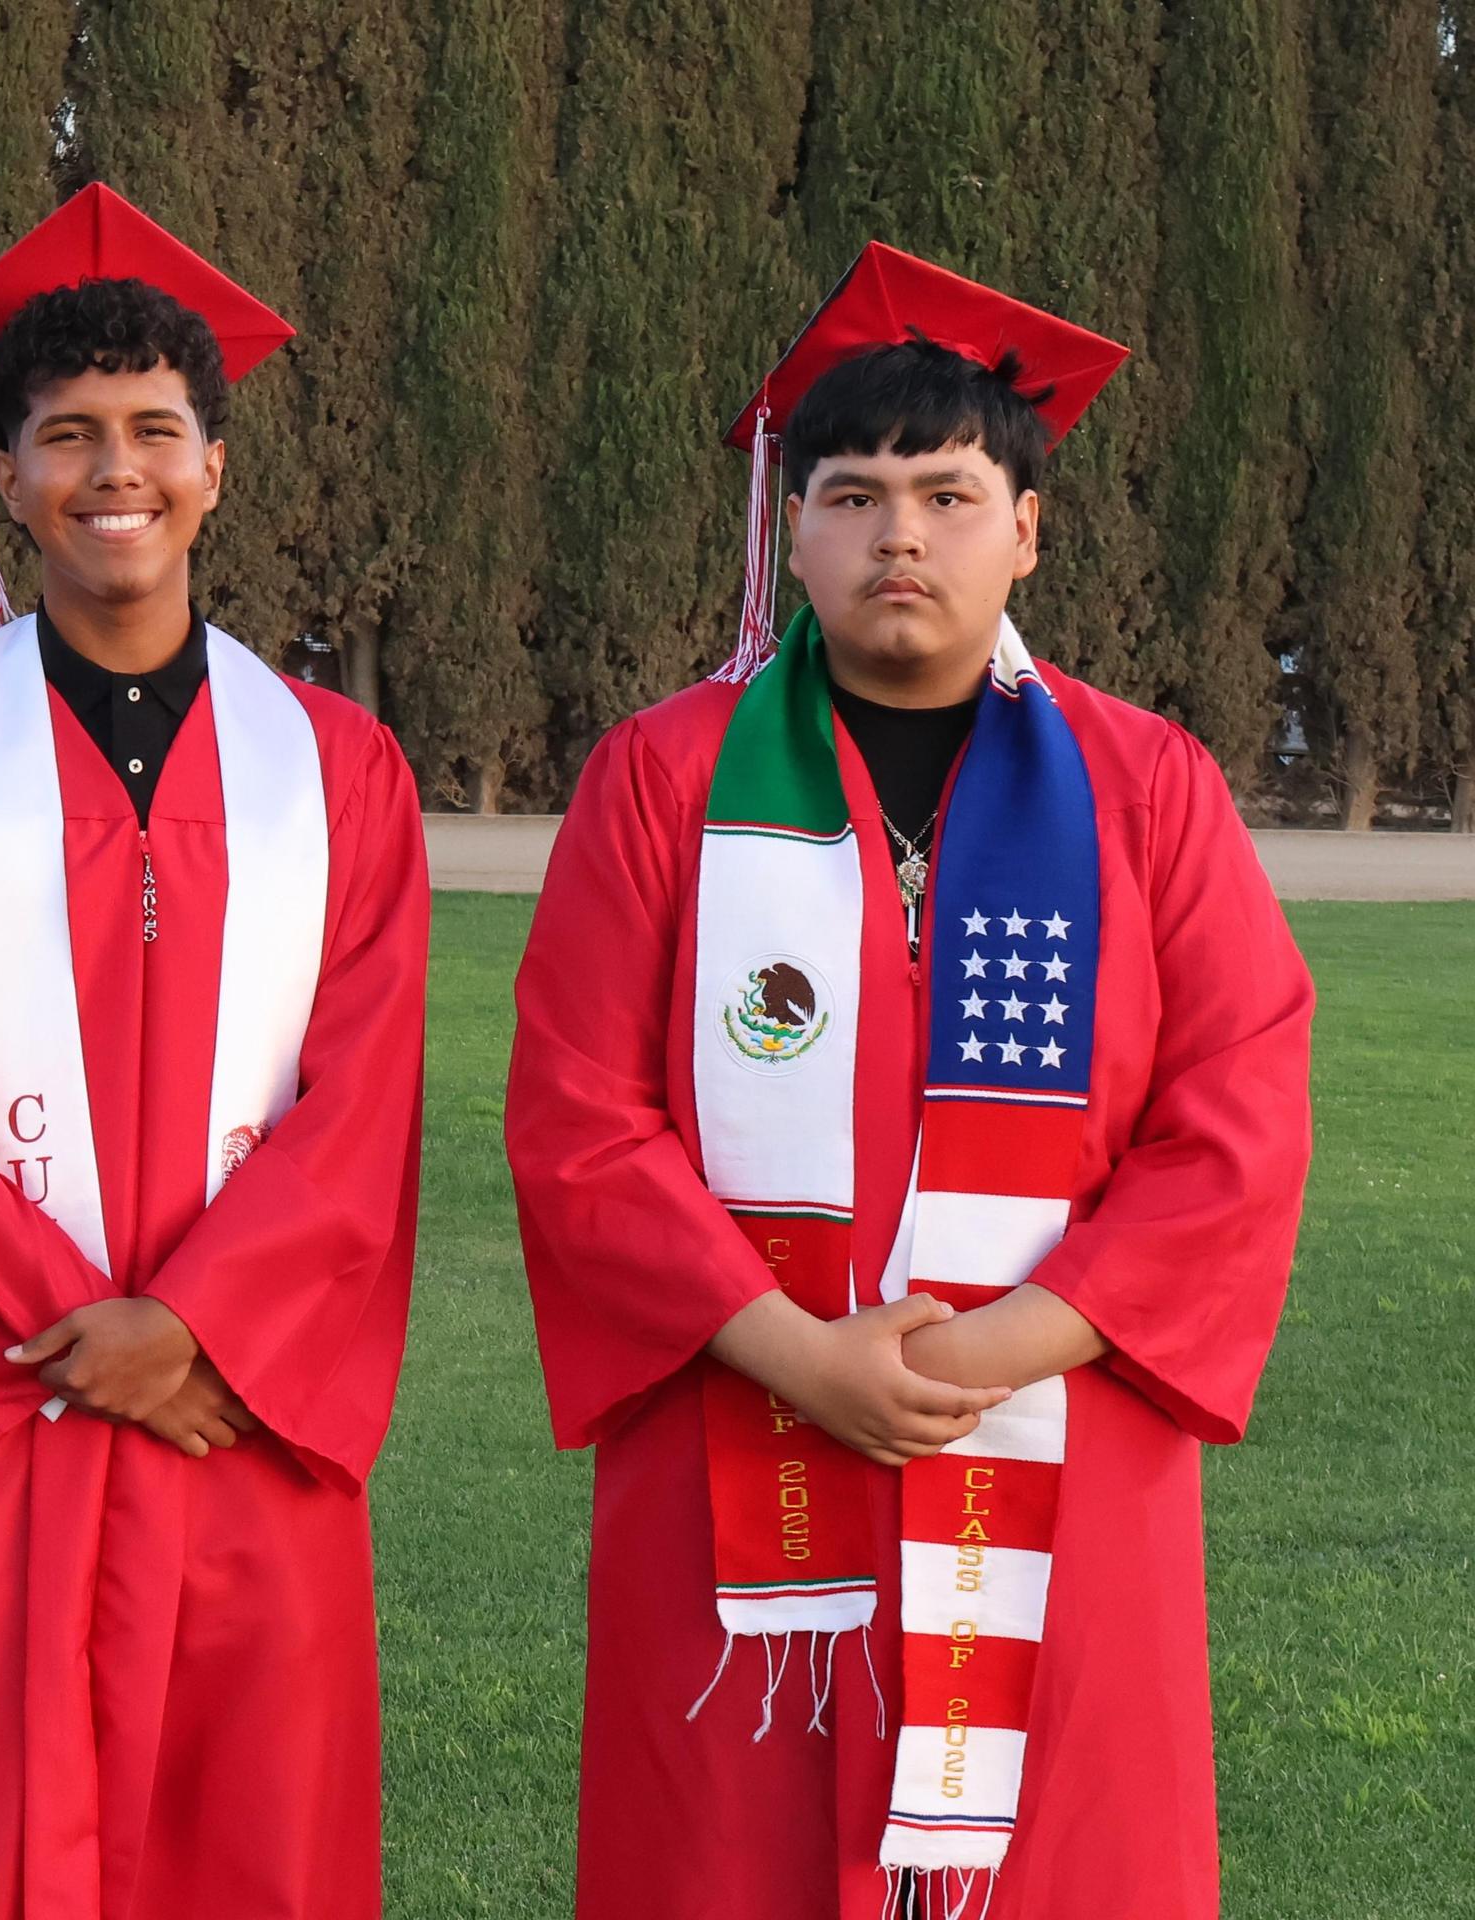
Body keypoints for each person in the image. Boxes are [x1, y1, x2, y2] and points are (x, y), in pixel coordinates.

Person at [505, 243, 1313, 1920]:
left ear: (1028, 527)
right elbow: (581, 1121)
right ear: (788, 527)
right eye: (854, 493)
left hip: (1060, 1438)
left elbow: (1234, 1120)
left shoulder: (1146, 789)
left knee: (1061, 1850)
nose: (901, 536)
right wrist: (800, 1353)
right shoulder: (661, 784)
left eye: (951, 495)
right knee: (730, 1855)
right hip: (746, 1440)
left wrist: (989, 1349)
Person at [0, 183, 428, 1920]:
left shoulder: (340, 774)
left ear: (215, 467)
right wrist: (83, 1341)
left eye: (152, 430)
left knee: (240, 1838)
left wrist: (197, 1334)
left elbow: (360, 1116)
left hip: (232, 1421)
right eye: (66, 434)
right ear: (5, 476)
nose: (112, 469)